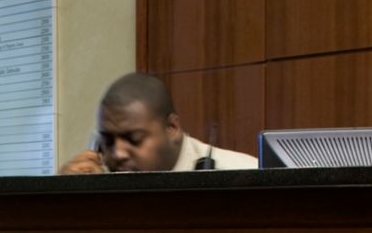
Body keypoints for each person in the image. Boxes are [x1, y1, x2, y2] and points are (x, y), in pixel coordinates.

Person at [59, 72, 256, 174]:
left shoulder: (245, 176)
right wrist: (66, 198)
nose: (117, 153)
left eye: (134, 138)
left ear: (172, 128)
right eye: (108, 141)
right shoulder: (99, 181)